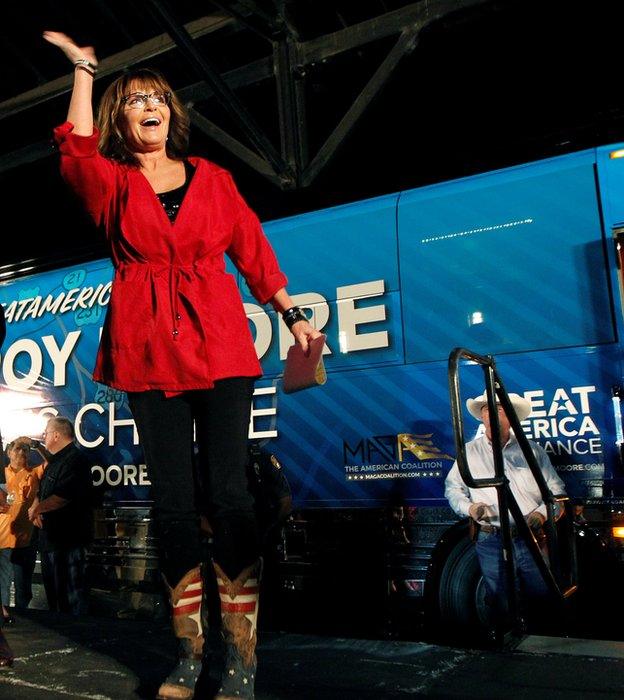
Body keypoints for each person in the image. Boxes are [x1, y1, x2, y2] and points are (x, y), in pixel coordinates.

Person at [44, 30, 321, 700]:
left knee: (229, 495)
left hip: (221, 347)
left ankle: (244, 659)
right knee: (172, 506)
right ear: (122, 117)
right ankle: (192, 655)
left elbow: (253, 251)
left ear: (172, 113)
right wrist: (85, 69)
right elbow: (75, 150)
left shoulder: (216, 181)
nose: (151, 106)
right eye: (136, 99)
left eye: (160, 99)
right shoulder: (111, 186)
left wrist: (291, 315)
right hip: (147, 354)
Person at [444, 391, 566, 633]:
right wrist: (470, 508)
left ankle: (544, 651)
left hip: (530, 538)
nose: (491, 414)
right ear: (481, 417)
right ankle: (506, 655)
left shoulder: (532, 451)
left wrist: (542, 514)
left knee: (541, 595)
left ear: (511, 416)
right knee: (499, 599)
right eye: (487, 409)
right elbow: (453, 489)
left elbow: (557, 493)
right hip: (491, 538)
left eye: (499, 409)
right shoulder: (469, 453)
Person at [27, 417, 94, 616]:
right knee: (55, 597)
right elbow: (45, 490)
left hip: (68, 542)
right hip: (51, 540)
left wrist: (37, 510)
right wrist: (37, 501)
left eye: (46, 433)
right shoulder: (55, 462)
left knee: (71, 598)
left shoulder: (76, 460)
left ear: (56, 435)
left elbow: (64, 496)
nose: (44, 436)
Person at [0, 439, 40, 619]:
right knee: (3, 584)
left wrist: (36, 445)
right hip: (3, 539)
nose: (21, 453)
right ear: (8, 452)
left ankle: (24, 620)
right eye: (17, 449)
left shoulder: (34, 473)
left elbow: (53, 462)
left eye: (25, 450)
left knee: (23, 586)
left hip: (25, 540)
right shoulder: (2, 474)